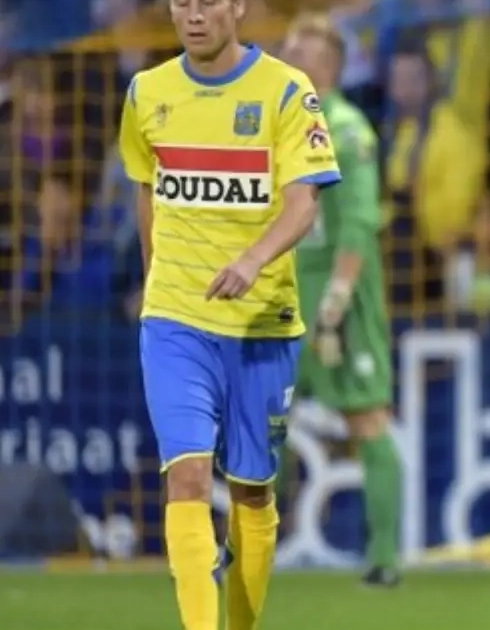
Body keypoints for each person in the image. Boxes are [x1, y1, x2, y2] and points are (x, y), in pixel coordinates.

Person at [117, 1, 340, 628]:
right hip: (175, 319)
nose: (193, 15)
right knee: (186, 477)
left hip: (260, 323)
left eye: (208, 1)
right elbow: (147, 191)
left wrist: (253, 260)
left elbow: (304, 204)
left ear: (238, 6)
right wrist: (155, 278)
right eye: (181, 2)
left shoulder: (287, 91)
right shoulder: (146, 93)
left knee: (252, 489)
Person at [281, 15, 402, 589]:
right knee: (262, 415)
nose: (284, 59)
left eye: (296, 53)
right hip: (284, 289)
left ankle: (384, 559)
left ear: (325, 66)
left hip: (340, 292)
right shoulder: (275, 128)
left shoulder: (349, 131)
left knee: (365, 417)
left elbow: (358, 224)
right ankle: (252, 543)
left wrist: (335, 303)